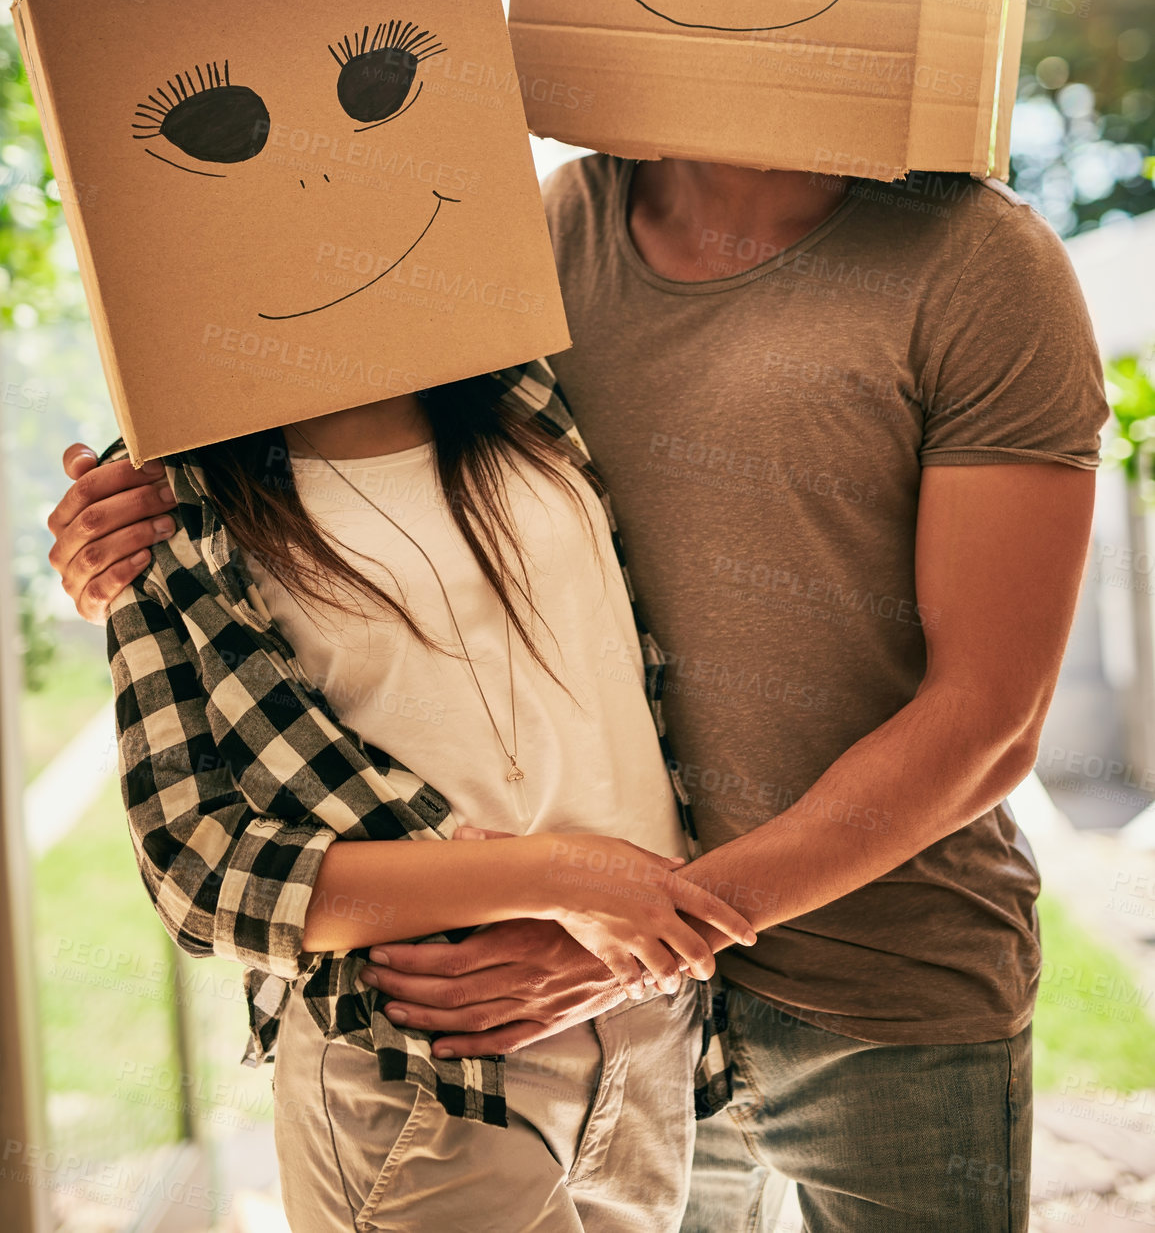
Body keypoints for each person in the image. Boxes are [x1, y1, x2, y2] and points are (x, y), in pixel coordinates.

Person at [50, 158, 1106, 1232]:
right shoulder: (544, 242)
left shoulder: (977, 262)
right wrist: (119, 543)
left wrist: (616, 937)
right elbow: (213, 836)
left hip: (860, 985)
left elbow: (989, 719)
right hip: (555, 1031)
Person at [73, 357, 755, 1233]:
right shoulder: (167, 490)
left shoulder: (519, 382)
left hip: (643, 1021)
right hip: (429, 1064)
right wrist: (557, 876)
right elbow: (196, 871)